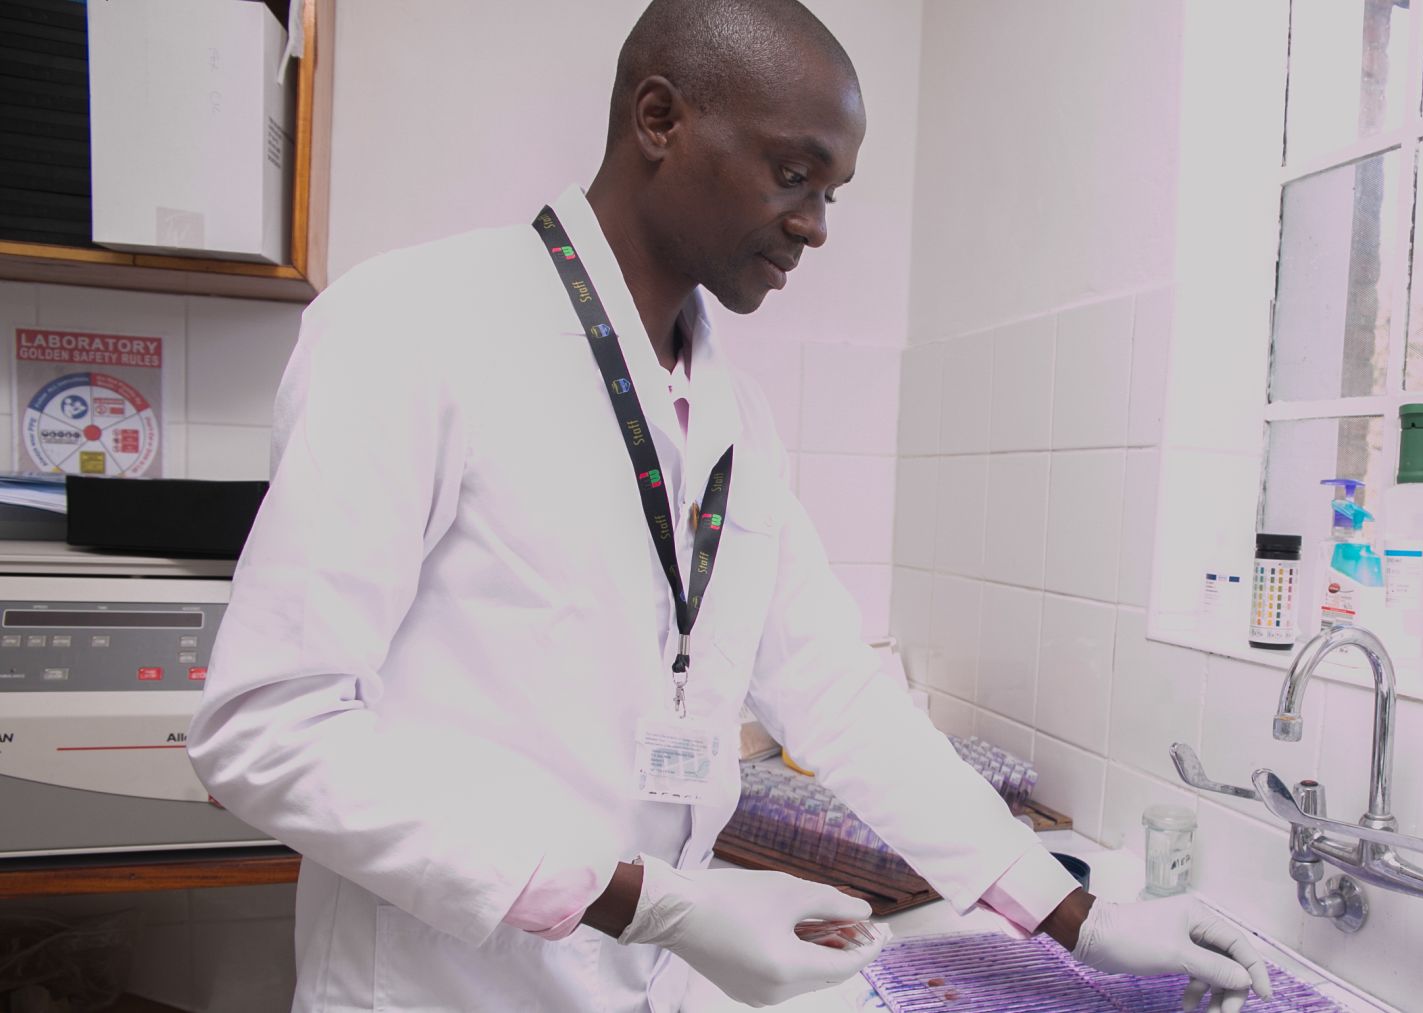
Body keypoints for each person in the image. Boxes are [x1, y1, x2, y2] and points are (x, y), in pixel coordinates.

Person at [188, 1, 1273, 1010]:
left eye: (831, 193)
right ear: (661, 118)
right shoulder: (419, 323)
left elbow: (836, 695)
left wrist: (1075, 914)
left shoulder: (733, 417)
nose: (815, 226)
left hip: (645, 976)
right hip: (442, 983)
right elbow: (267, 732)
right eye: (794, 175)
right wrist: (653, 897)